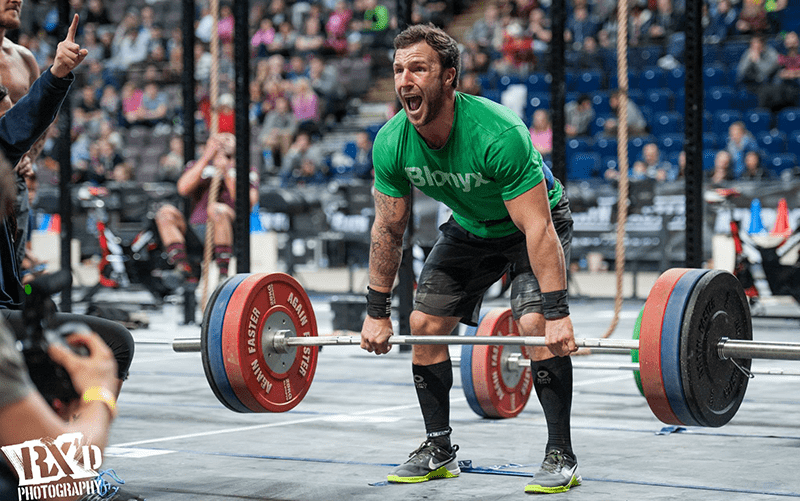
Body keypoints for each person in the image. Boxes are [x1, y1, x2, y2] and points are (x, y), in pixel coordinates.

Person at [360, 24, 579, 494]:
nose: (404, 81)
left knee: (535, 324)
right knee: (424, 324)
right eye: (398, 70)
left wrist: (558, 314)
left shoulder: (498, 133)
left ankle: (561, 453)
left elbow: (537, 228)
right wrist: (376, 312)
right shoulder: (391, 142)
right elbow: (388, 230)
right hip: (472, 225)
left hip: (532, 222)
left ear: (449, 77)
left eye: (418, 68)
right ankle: (439, 448)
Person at [154, 132, 259, 285]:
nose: (222, 142)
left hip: (229, 229)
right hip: (196, 229)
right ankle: (182, 267)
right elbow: (182, 188)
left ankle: (223, 273)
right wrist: (206, 157)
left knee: (216, 209)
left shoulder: (247, 170)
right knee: (165, 212)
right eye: (219, 139)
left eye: (227, 139)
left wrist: (226, 172)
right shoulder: (199, 166)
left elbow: (249, 202)